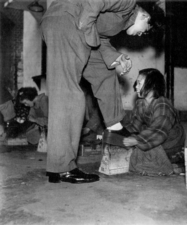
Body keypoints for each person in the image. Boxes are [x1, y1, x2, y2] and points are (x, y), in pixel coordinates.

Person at [41, 0, 164, 183]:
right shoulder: (128, 3)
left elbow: (101, 39)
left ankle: (115, 126)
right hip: (67, 22)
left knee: (105, 72)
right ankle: (62, 167)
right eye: (145, 30)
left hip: (75, 26)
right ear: (145, 16)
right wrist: (87, 28)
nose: (140, 35)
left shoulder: (121, 20)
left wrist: (116, 58)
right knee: (68, 93)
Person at [121, 68, 186, 176]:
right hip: (155, 137)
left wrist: (137, 140)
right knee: (139, 142)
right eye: (136, 83)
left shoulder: (162, 104)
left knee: (142, 150)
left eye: (139, 83)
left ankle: (173, 165)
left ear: (152, 86)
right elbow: (134, 126)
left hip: (171, 142)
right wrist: (119, 133)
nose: (136, 87)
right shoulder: (140, 103)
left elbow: (159, 131)